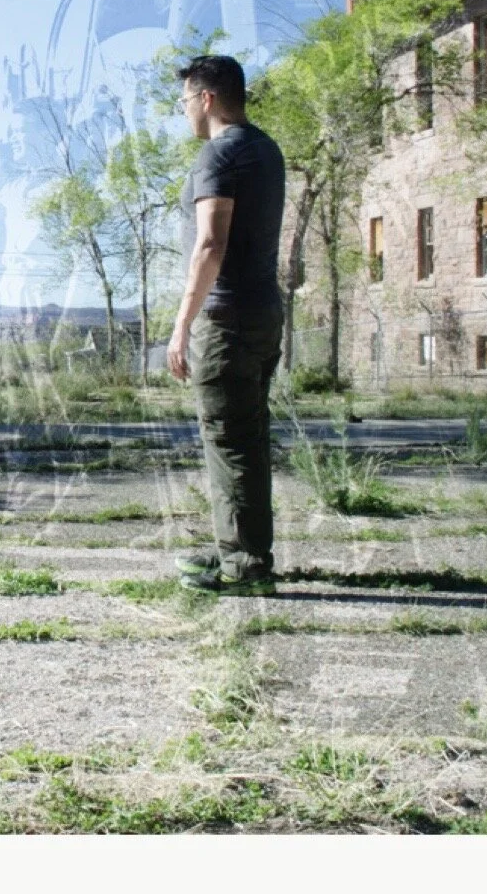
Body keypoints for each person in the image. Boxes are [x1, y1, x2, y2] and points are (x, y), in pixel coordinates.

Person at [166, 55, 286, 595]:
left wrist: (180, 323)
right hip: (264, 312)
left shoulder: (217, 156)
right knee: (248, 438)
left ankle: (245, 568)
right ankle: (246, 553)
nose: (185, 111)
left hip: (227, 317)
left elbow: (210, 244)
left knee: (229, 441)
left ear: (207, 98)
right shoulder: (266, 149)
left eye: (186, 100)